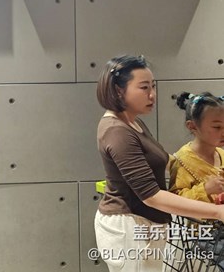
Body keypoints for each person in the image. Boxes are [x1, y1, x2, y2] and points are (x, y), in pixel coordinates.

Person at [95, 55, 224, 272]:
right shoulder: (117, 131)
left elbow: (163, 159)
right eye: (144, 87)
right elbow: (151, 196)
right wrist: (217, 212)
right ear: (118, 90)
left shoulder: (133, 122)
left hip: (145, 225)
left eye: (153, 86)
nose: (152, 94)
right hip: (129, 226)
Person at [169, 92, 224, 270]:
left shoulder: (221, 153)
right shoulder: (182, 161)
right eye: (217, 127)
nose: (223, 132)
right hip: (205, 233)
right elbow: (175, 201)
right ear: (192, 126)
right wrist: (205, 189)